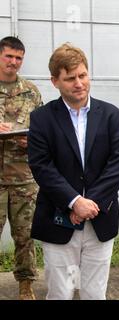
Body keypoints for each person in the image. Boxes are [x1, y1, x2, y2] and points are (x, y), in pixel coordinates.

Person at [27, 43, 119, 300]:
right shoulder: (41, 118)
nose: (79, 83)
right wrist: (73, 202)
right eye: (70, 78)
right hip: (59, 221)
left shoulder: (111, 115)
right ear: (55, 81)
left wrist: (88, 204)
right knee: (60, 292)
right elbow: (41, 166)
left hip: (100, 218)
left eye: (82, 75)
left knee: (95, 293)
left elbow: (118, 164)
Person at [0, 36, 43, 300]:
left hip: (23, 177)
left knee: (25, 236)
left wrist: (32, 140)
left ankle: (26, 286)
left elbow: (43, 131)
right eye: (8, 56)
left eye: (18, 58)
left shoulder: (31, 91)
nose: (13, 62)